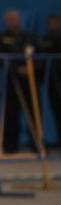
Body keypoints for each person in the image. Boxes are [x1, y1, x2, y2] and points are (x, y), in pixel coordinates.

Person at [0, 8, 37, 153]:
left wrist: (29, 68)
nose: (11, 22)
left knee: (33, 111)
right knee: (10, 113)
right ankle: (10, 145)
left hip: (28, 81)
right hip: (10, 79)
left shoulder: (29, 36)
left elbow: (36, 54)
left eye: (14, 19)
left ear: (20, 20)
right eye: (9, 20)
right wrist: (16, 68)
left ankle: (37, 143)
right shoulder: (0, 37)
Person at [36, 13, 61, 150]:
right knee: (56, 110)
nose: (53, 25)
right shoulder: (43, 40)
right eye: (50, 22)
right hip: (50, 80)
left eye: (55, 22)